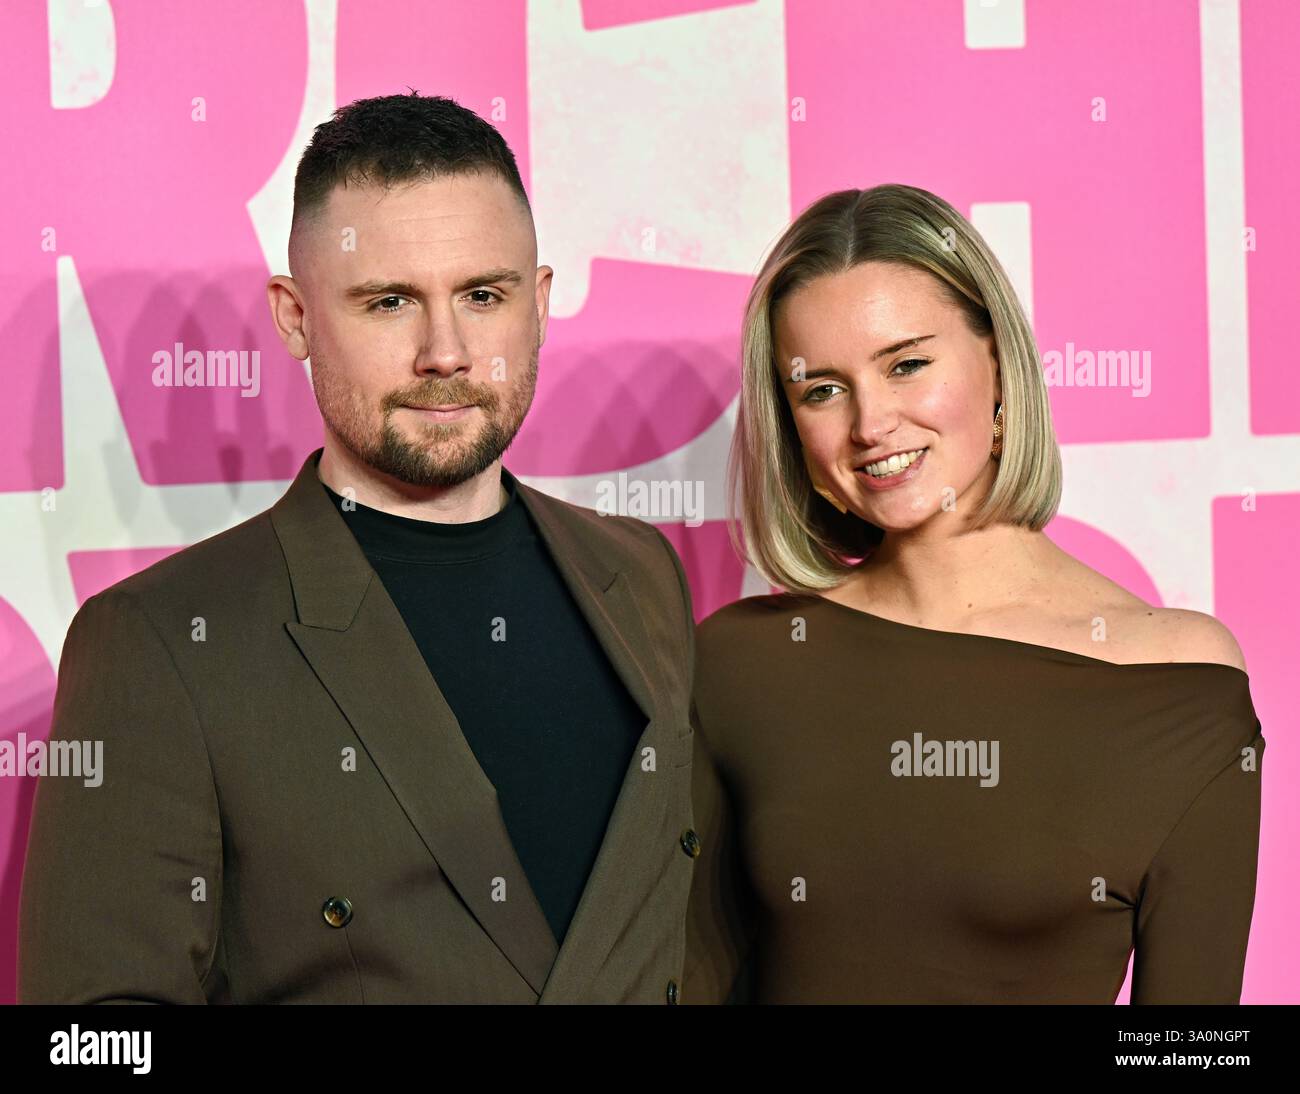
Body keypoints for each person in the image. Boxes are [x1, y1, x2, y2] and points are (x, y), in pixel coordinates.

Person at [19, 92, 699, 1004]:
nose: (446, 352)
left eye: (483, 296)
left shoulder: (641, 576)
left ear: (538, 305)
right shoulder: (163, 642)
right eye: (389, 302)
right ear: (296, 318)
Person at [683, 183, 1265, 1004]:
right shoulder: (740, 663)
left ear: (997, 365)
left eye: (908, 364)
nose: (871, 423)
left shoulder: (1176, 677)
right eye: (822, 389)